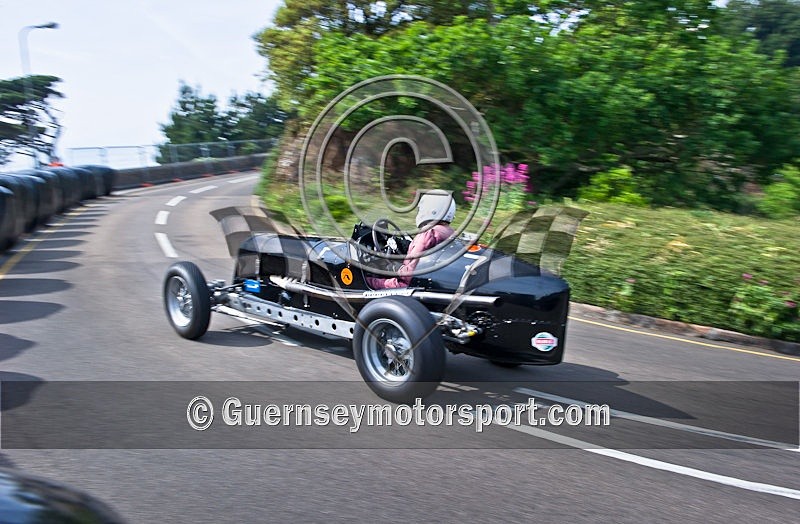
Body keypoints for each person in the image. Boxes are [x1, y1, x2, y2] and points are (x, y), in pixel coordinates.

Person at [367, 191, 456, 289]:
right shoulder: (450, 232)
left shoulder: (428, 234)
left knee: (367, 282)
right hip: (429, 281)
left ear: (432, 210)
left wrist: (393, 268)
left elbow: (408, 275)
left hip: (409, 285)